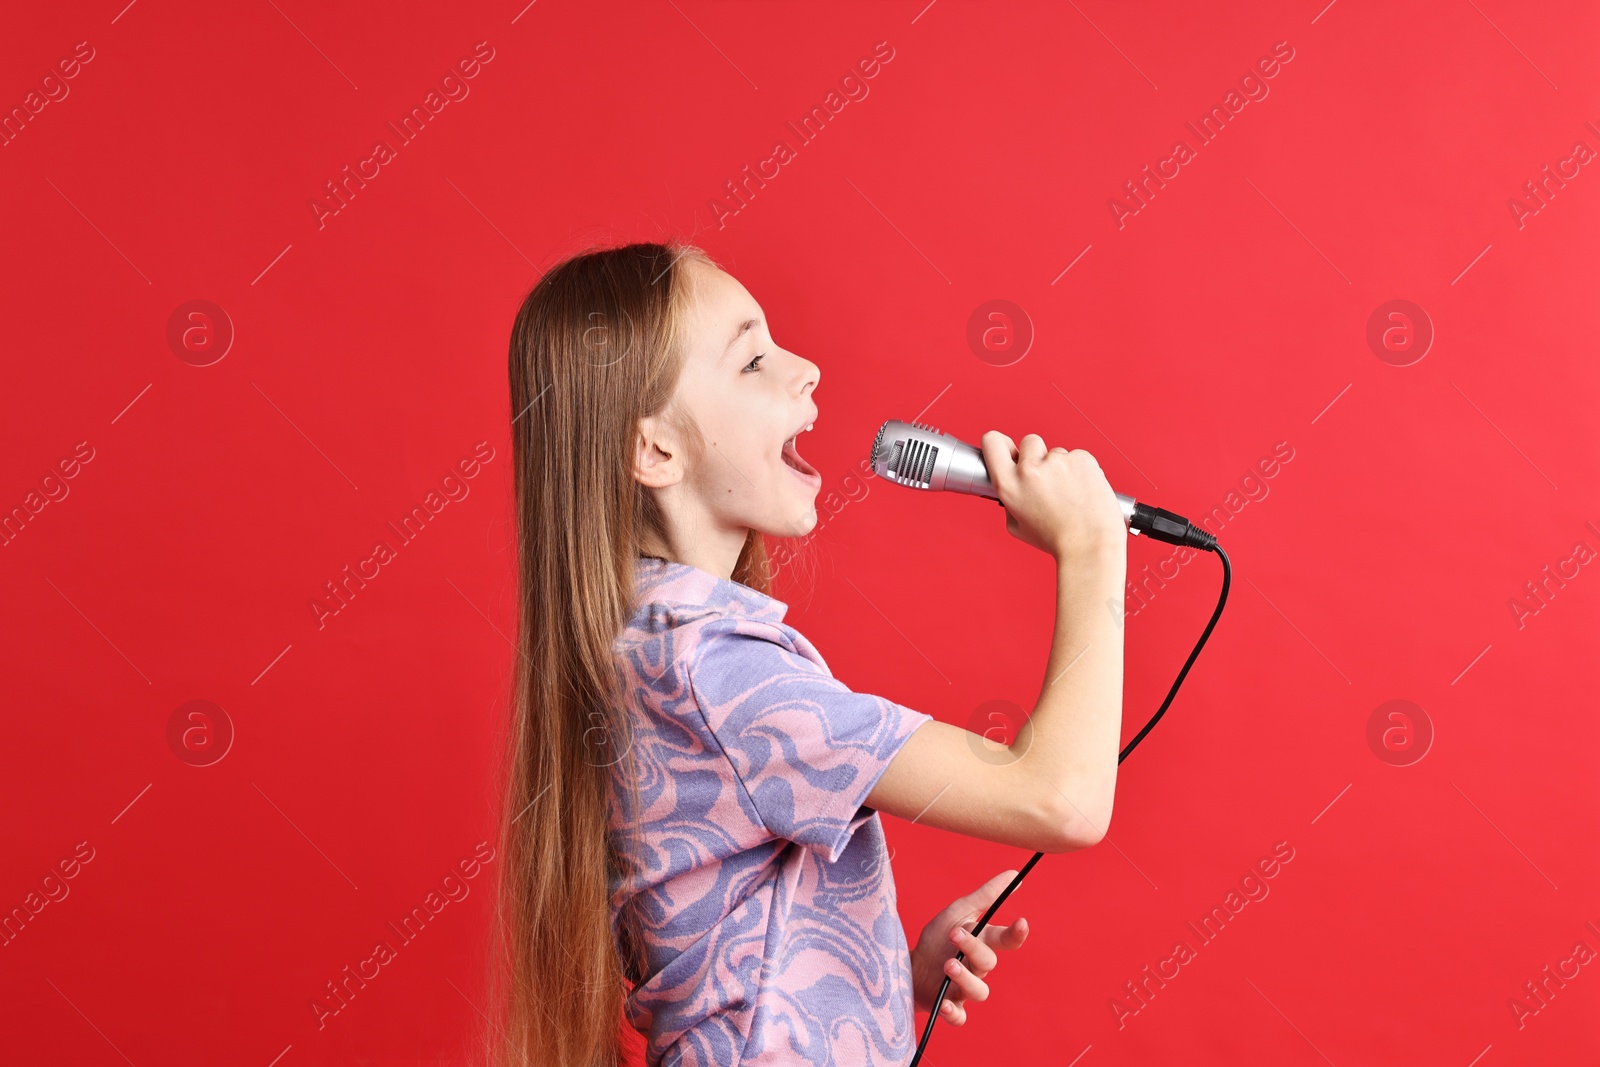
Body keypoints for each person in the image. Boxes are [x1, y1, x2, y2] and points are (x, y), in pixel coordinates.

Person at [489, 240, 1128, 1067]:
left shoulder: (655, 652)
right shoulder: (716, 675)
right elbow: (1063, 800)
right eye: (753, 360)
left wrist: (881, 983)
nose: (808, 368)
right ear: (655, 450)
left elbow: (731, 958)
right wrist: (1092, 550)